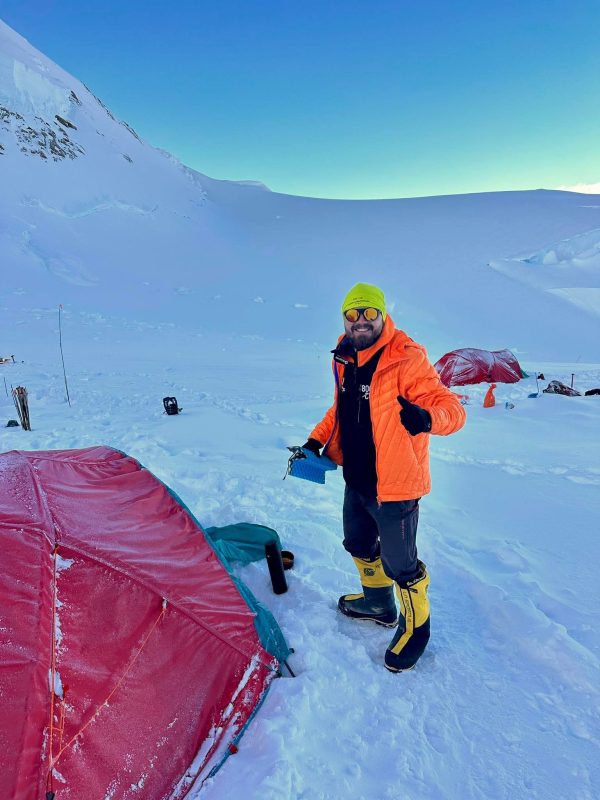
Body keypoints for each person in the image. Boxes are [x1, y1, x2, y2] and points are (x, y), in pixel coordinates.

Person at [298, 282, 466, 672]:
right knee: (357, 542)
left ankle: (417, 629)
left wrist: (426, 418)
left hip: (396, 485)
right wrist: (315, 440)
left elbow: (452, 408)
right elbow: (340, 408)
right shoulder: (344, 354)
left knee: (400, 564)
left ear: (383, 316)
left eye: (370, 313)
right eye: (353, 314)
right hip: (357, 477)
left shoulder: (406, 358)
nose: (361, 321)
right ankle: (378, 604)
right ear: (344, 318)